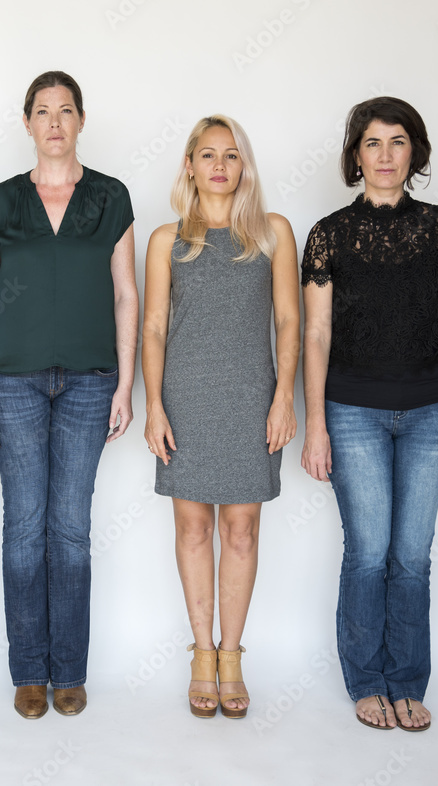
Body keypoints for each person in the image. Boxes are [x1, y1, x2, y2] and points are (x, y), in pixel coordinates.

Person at [301, 96, 438, 731]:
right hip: (352, 412)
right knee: (369, 550)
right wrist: (317, 424)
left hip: (434, 411)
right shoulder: (328, 233)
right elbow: (316, 336)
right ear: (356, 155)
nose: (385, 155)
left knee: (412, 554)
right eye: (373, 143)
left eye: (397, 141)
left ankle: (408, 680)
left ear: (415, 152)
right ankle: (366, 680)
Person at [0, 71, 138, 719]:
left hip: (92, 384)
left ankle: (69, 670)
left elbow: (126, 294)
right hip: (12, 381)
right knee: (23, 527)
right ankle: (27, 672)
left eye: (66, 110)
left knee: (69, 530)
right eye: (43, 111)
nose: (55, 122)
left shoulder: (110, 197)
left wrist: (126, 382)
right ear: (28, 123)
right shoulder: (1, 203)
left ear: (81, 120)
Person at [142, 116, 300, 718]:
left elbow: (289, 321)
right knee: (192, 529)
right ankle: (200, 655)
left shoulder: (272, 233)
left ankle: (230, 658)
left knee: (241, 529)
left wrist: (284, 396)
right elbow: (153, 327)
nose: (218, 165)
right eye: (206, 155)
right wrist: (154, 405)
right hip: (184, 397)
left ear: (243, 166)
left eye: (230, 156)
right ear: (189, 164)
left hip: (250, 396)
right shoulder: (167, 240)